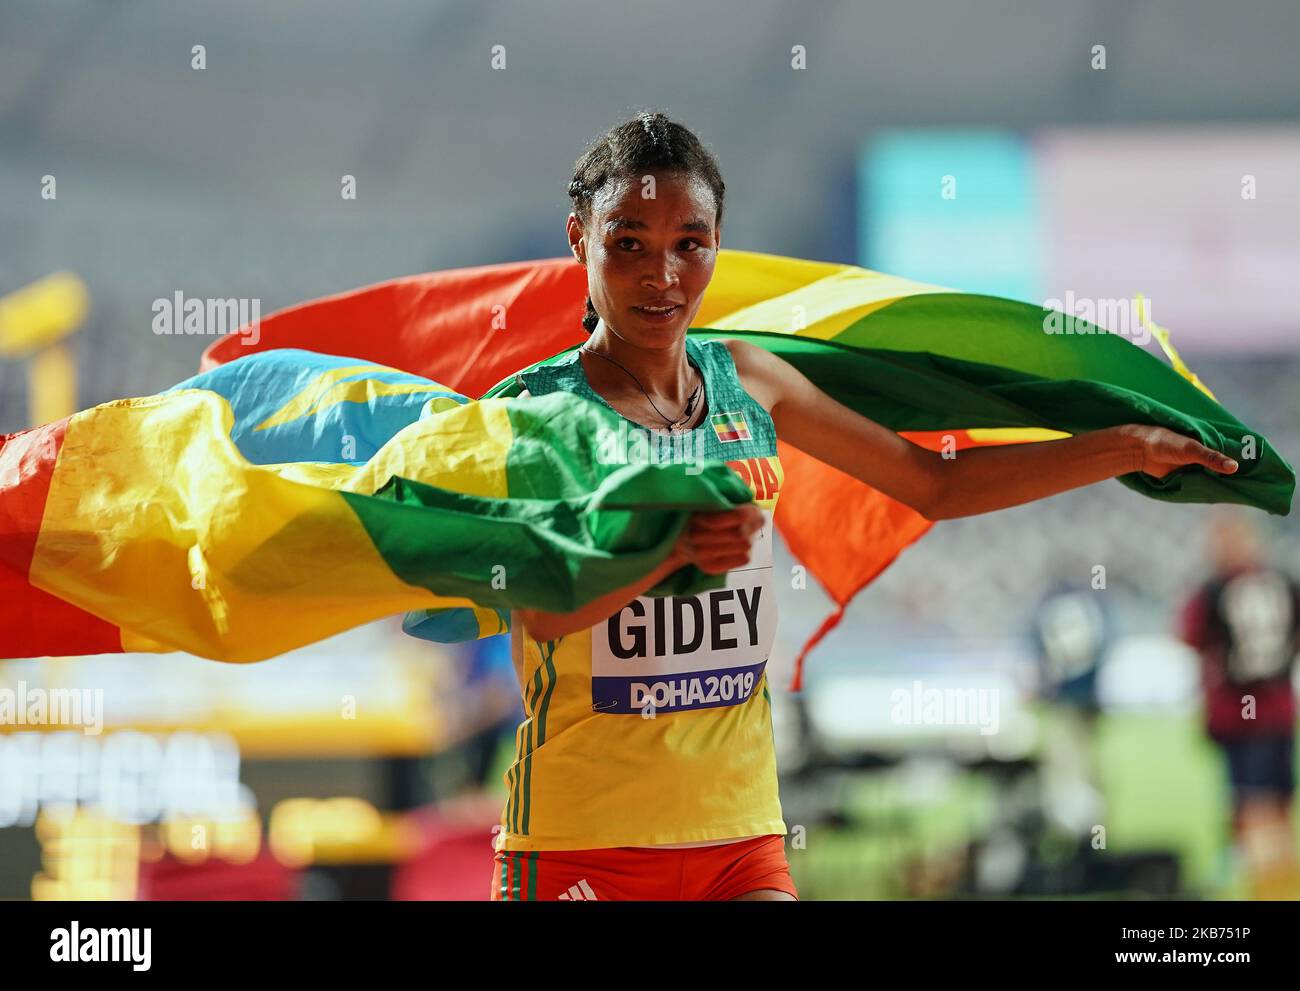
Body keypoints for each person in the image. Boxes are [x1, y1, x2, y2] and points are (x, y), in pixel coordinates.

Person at [490, 110, 1239, 901]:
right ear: (580, 238)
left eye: (690, 243)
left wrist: (1125, 447)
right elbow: (542, 611)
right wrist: (673, 550)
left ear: (718, 243)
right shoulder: (531, 410)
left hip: (739, 836)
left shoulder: (753, 381)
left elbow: (934, 483)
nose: (663, 274)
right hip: (580, 844)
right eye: (629, 242)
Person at [1178, 508, 1300, 899]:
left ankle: (1270, 888)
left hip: (1241, 716)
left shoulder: (1216, 589)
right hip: (1278, 710)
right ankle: (1276, 880)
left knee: (1253, 803)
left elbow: (1189, 637)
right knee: (1275, 802)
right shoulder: (1285, 583)